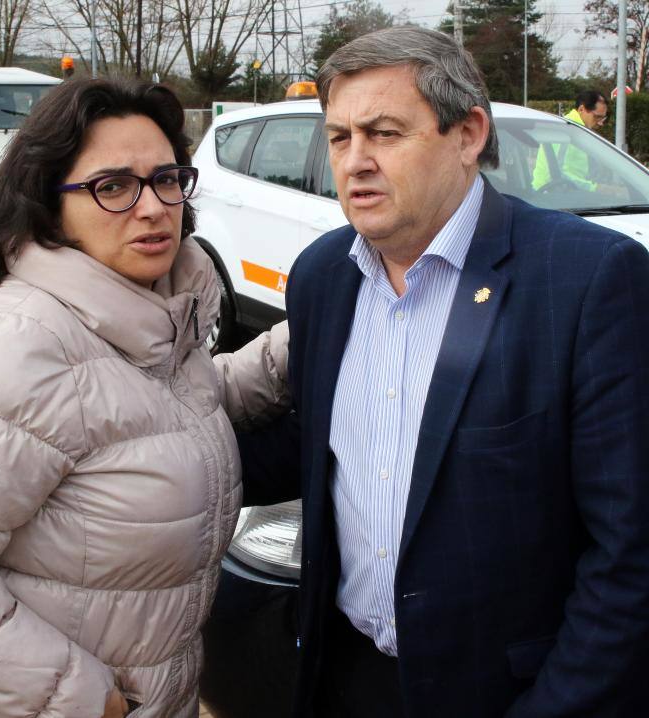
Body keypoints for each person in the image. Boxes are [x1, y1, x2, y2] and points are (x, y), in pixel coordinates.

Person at [240, 27, 649, 717]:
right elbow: (315, 449)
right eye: (339, 138)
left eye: (385, 133)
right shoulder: (322, 278)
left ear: (467, 135)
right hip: (347, 678)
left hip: (507, 693)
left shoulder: (587, 280)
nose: (355, 162)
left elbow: (630, 554)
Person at [0, 78, 289, 718]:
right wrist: (88, 702)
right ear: (49, 205)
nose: (152, 207)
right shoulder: (18, 348)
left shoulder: (151, 322)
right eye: (112, 187)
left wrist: (308, 337)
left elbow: (177, 412)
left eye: (166, 178)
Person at [532, 89, 608, 191]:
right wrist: (595, 188)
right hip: (551, 195)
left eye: (603, 118)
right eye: (597, 117)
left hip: (568, 193)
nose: (600, 123)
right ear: (581, 109)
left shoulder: (578, 131)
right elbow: (557, 173)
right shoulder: (564, 130)